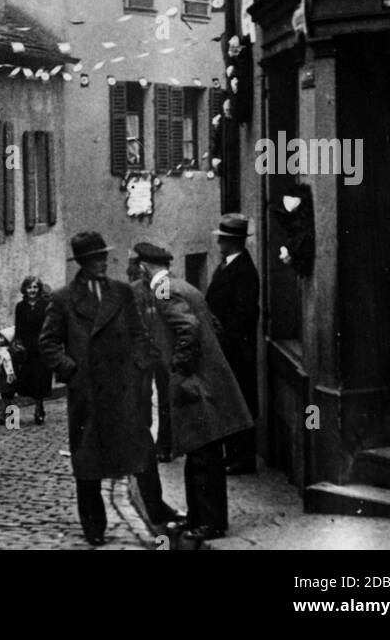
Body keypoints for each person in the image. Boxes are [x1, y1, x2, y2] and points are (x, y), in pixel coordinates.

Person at [38, 231, 178, 547]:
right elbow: (47, 343)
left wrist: (140, 365)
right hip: (88, 394)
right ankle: (94, 525)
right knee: (88, 463)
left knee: (142, 454)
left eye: (104, 257)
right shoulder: (63, 299)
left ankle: (157, 513)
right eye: (95, 259)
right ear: (83, 264)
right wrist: (71, 371)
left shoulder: (122, 292)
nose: (102, 263)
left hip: (124, 390)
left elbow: (140, 334)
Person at [134, 241, 253, 545]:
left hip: (195, 385)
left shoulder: (163, 291)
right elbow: (213, 325)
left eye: (139, 267)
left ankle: (211, 522)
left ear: (145, 267)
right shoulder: (185, 286)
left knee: (203, 456)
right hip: (207, 381)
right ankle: (198, 516)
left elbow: (188, 330)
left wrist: (181, 370)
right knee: (199, 452)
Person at [206, 213, 260, 474]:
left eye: (223, 240)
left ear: (233, 242)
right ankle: (233, 455)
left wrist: (224, 337)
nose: (219, 244)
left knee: (240, 402)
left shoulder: (244, 271)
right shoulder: (227, 265)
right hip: (228, 347)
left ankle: (242, 458)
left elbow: (244, 314)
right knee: (231, 401)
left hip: (236, 349)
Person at [128, 251, 173, 461]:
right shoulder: (134, 290)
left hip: (161, 351)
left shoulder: (162, 287)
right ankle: (142, 441)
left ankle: (164, 443)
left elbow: (163, 315)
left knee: (165, 399)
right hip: (142, 352)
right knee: (142, 397)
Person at [14, 275, 52, 424]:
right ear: (25, 289)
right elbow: (18, 326)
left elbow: (50, 325)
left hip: (42, 346)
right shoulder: (20, 306)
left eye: (35, 287)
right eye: (30, 287)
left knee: (41, 377)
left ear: (39, 289)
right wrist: (18, 342)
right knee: (29, 379)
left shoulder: (46, 305)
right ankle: (37, 404)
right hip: (27, 347)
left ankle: (39, 407)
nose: (32, 290)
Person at [0, 327, 19, 425]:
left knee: (9, 396)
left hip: (9, 376)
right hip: (1, 376)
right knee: (4, 396)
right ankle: (5, 415)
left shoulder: (11, 352)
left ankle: (8, 416)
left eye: (1, 338)